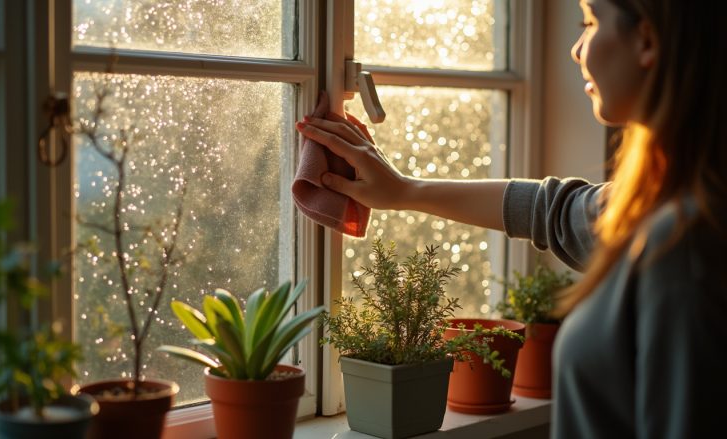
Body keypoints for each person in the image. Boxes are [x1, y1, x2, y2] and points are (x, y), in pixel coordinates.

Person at [296, 0, 727, 437]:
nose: (577, 50)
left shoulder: (683, 246)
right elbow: (551, 210)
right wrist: (405, 190)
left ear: (648, 40)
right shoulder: (656, 207)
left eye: (591, 22)